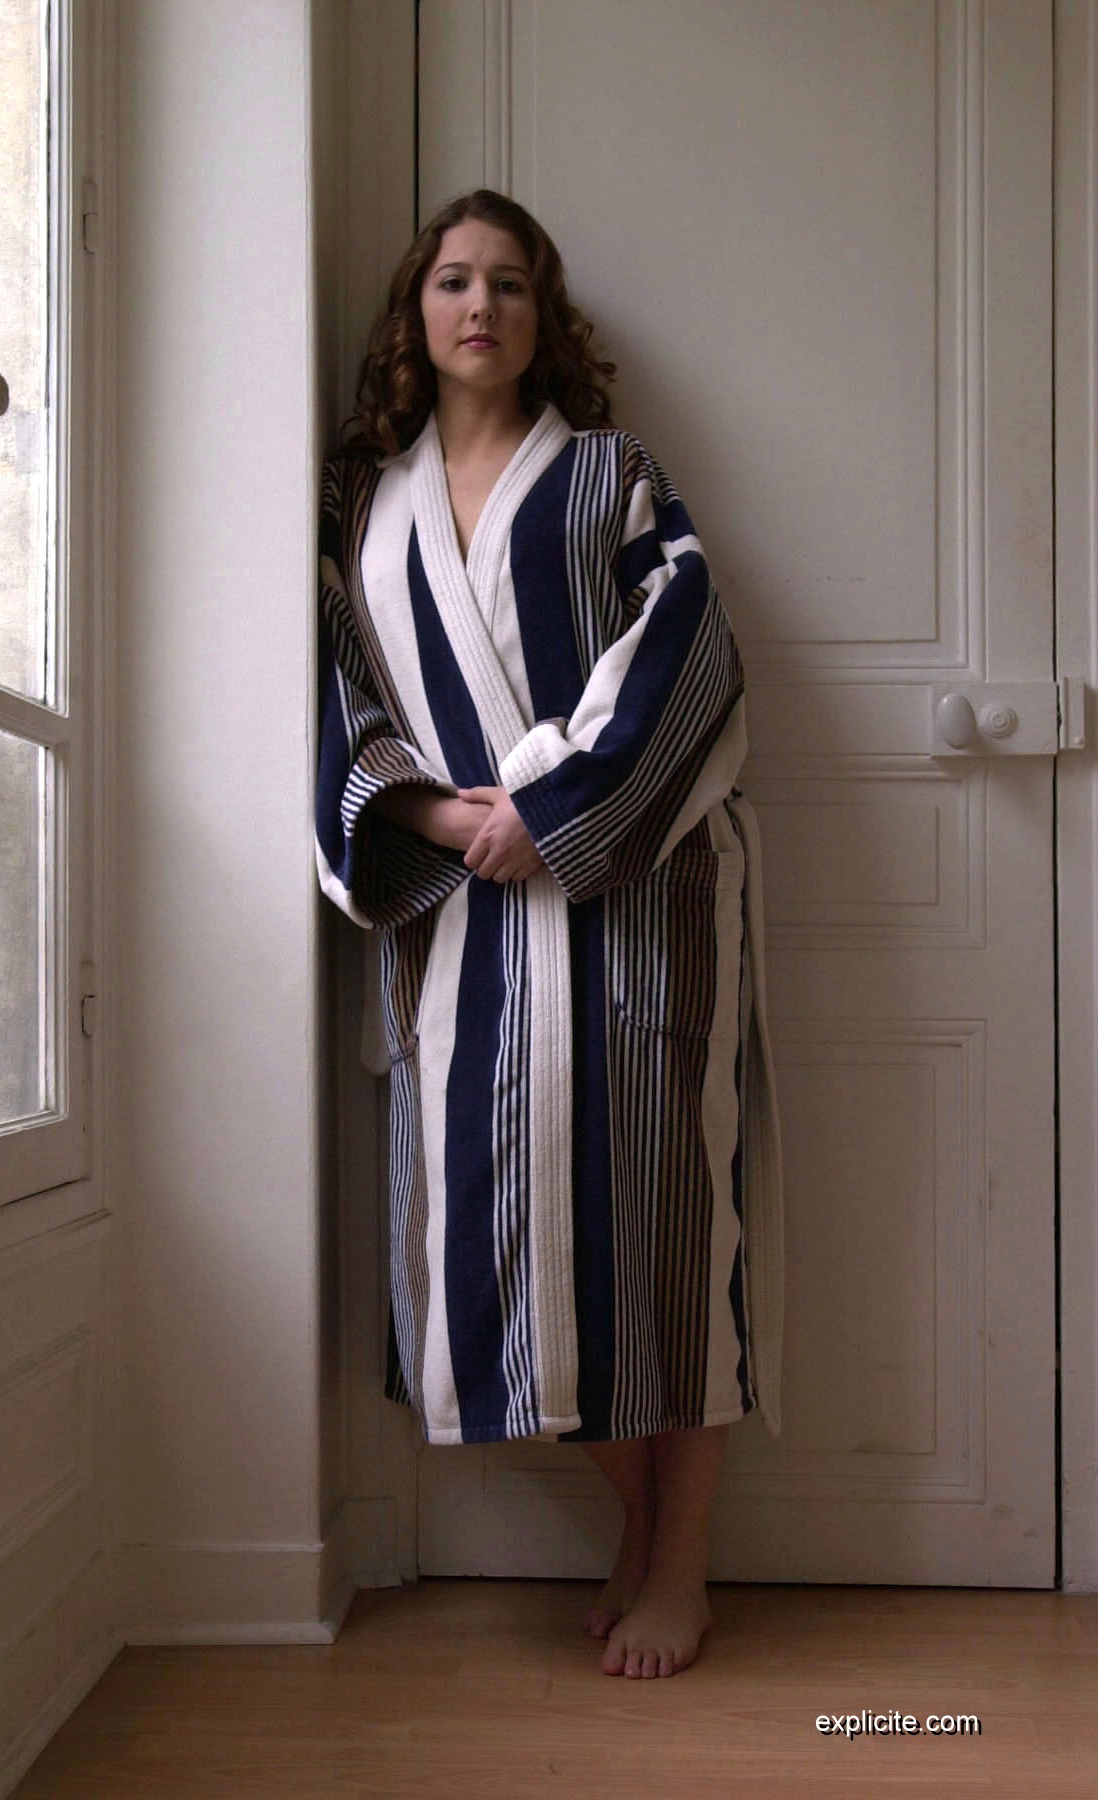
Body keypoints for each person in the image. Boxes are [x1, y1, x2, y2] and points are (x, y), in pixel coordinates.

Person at [315, 188, 783, 1680]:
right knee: (501, 1263)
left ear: (544, 316)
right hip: (461, 915)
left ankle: (679, 1564)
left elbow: (693, 645)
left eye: (511, 283)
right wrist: (433, 814)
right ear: (417, 310)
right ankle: (639, 1527)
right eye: (455, 280)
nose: (482, 306)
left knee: (666, 1232)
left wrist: (549, 805)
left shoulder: (611, 476)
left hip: (635, 897)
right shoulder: (362, 507)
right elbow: (333, 696)